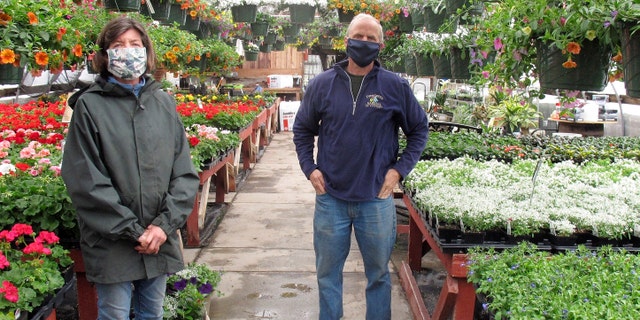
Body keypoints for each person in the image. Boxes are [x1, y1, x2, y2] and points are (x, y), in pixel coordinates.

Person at [292, 13, 429, 320]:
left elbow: (419, 130)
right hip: (331, 200)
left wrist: (397, 172)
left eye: (371, 38)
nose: (364, 42)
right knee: (327, 274)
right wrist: (309, 168)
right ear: (347, 41)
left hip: (375, 201)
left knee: (379, 275)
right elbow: (302, 130)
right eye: (359, 36)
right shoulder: (322, 85)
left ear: (380, 45)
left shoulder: (394, 87)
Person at [61, 16, 199, 320]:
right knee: (114, 315)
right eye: (118, 45)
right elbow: (86, 180)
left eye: (135, 44)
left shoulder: (162, 103)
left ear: (146, 52)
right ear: (105, 55)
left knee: (152, 313)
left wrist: (163, 227)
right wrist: (134, 231)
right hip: (113, 242)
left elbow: (184, 172)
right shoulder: (90, 106)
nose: (127, 51)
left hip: (158, 238)